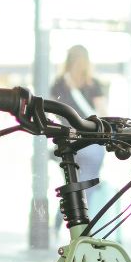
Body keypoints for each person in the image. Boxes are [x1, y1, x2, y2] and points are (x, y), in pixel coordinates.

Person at [49, 45, 108, 215]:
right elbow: (103, 114)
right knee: (86, 189)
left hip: (67, 143)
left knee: (71, 189)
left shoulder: (59, 84)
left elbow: (51, 113)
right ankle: (83, 230)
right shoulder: (93, 84)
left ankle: (59, 225)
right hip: (90, 143)